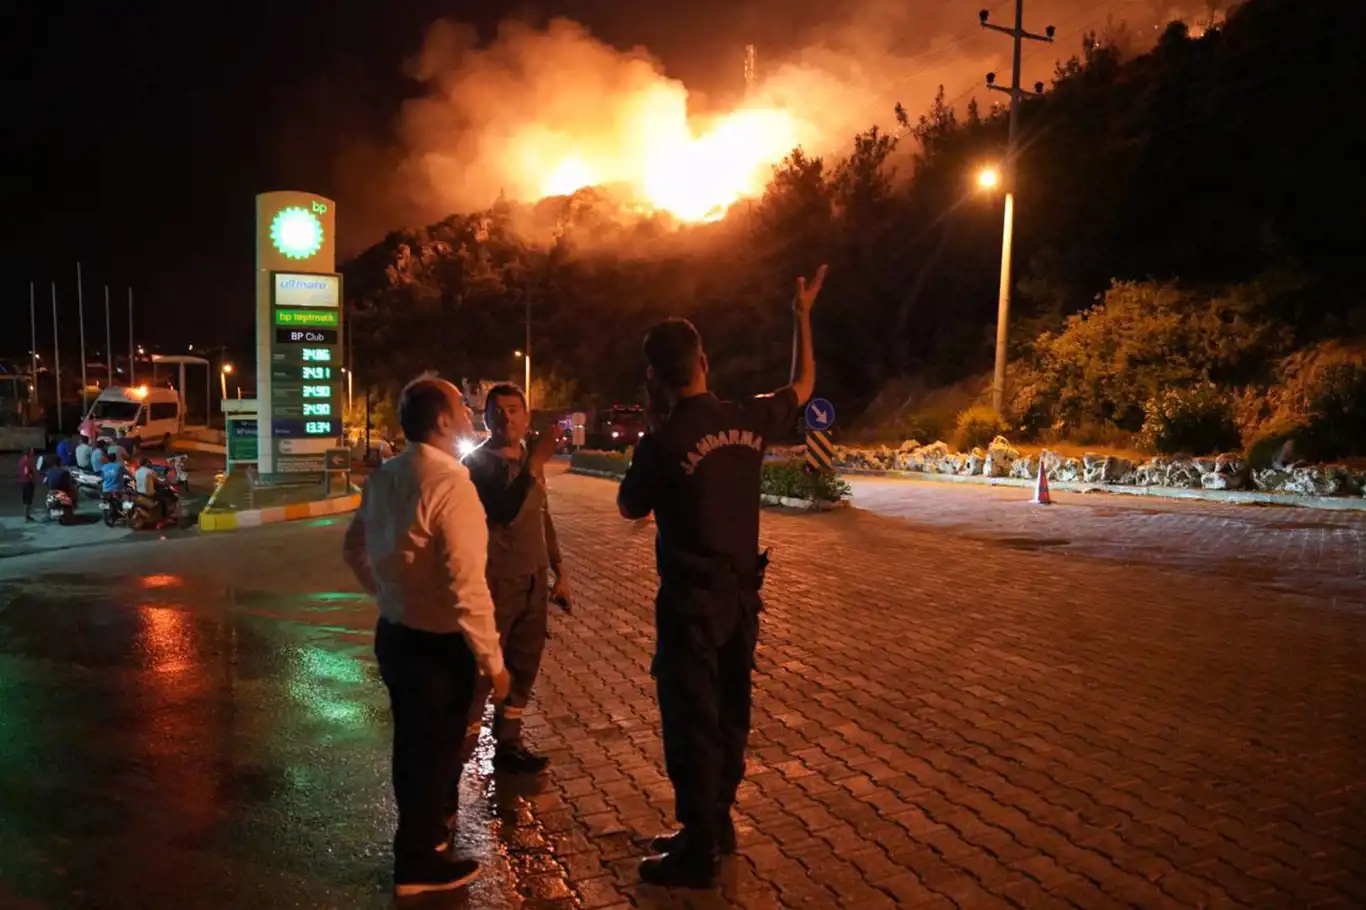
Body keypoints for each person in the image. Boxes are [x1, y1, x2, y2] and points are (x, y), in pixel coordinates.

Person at [618, 265, 826, 888]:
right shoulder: (748, 419)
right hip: (742, 600)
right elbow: (804, 384)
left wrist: (655, 437)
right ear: (704, 361)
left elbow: (630, 506)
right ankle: (717, 822)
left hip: (689, 604)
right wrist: (802, 315)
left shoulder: (661, 441)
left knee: (690, 716)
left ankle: (697, 851)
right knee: (732, 709)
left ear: (655, 375)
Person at [342, 375, 510, 898]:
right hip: (438, 649)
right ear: (441, 421)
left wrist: (390, 594)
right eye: (462, 405)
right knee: (433, 753)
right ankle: (418, 864)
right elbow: (468, 588)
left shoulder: (386, 474)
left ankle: (424, 846)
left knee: (412, 751)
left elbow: (353, 548)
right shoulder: (450, 485)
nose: (469, 410)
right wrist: (495, 664)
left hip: (395, 635)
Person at [461, 383, 569, 775]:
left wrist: (561, 572)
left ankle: (509, 742)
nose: (507, 417)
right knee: (483, 671)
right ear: (485, 418)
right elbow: (504, 511)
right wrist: (538, 461)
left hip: (534, 581)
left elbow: (542, 516)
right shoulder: (477, 465)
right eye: (498, 411)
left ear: (526, 416)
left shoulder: (527, 459)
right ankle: (459, 754)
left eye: (514, 409)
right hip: (495, 584)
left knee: (525, 666)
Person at [18, 448, 38, 521]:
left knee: (25, 499)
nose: (33, 453)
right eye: (32, 452)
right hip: (28, 482)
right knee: (28, 500)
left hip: (22, 482)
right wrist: (33, 480)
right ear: (29, 453)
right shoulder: (28, 461)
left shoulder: (21, 460)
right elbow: (27, 472)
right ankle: (27, 516)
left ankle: (27, 515)